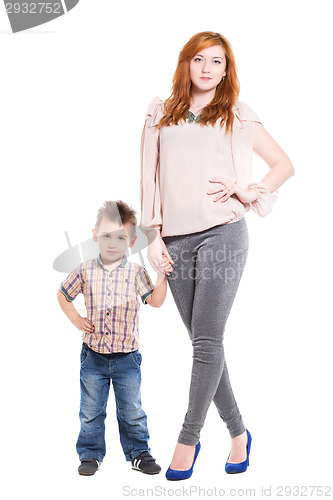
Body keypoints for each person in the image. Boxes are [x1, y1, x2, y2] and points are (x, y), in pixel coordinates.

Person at [139, 31, 295, 480]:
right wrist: (152, 237)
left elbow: (284, 163)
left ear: (227, 70)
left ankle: (187, 439)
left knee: (206, 341)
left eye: (218, 62)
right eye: (199, 59)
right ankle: (240, 433)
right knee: (206, 345)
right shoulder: (158, 112)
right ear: (185, 64)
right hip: (174, 241)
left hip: (224, 233)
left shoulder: (238, 115)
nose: (207, 68)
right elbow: (148, 179)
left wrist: (248, 191)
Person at [57, 200, 172, 476]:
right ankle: (90, 453)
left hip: (127, 357)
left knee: (132, 409)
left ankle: (138, 452)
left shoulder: (134, 272)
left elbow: (155, 301)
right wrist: (75, 319)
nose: (112, 243)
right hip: (93, 355)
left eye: (120, 238)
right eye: (107, 236)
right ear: (95, 235)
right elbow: (63, 294)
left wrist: (161, 274)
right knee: (91, 410)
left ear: (131, 240)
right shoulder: (85, 269)